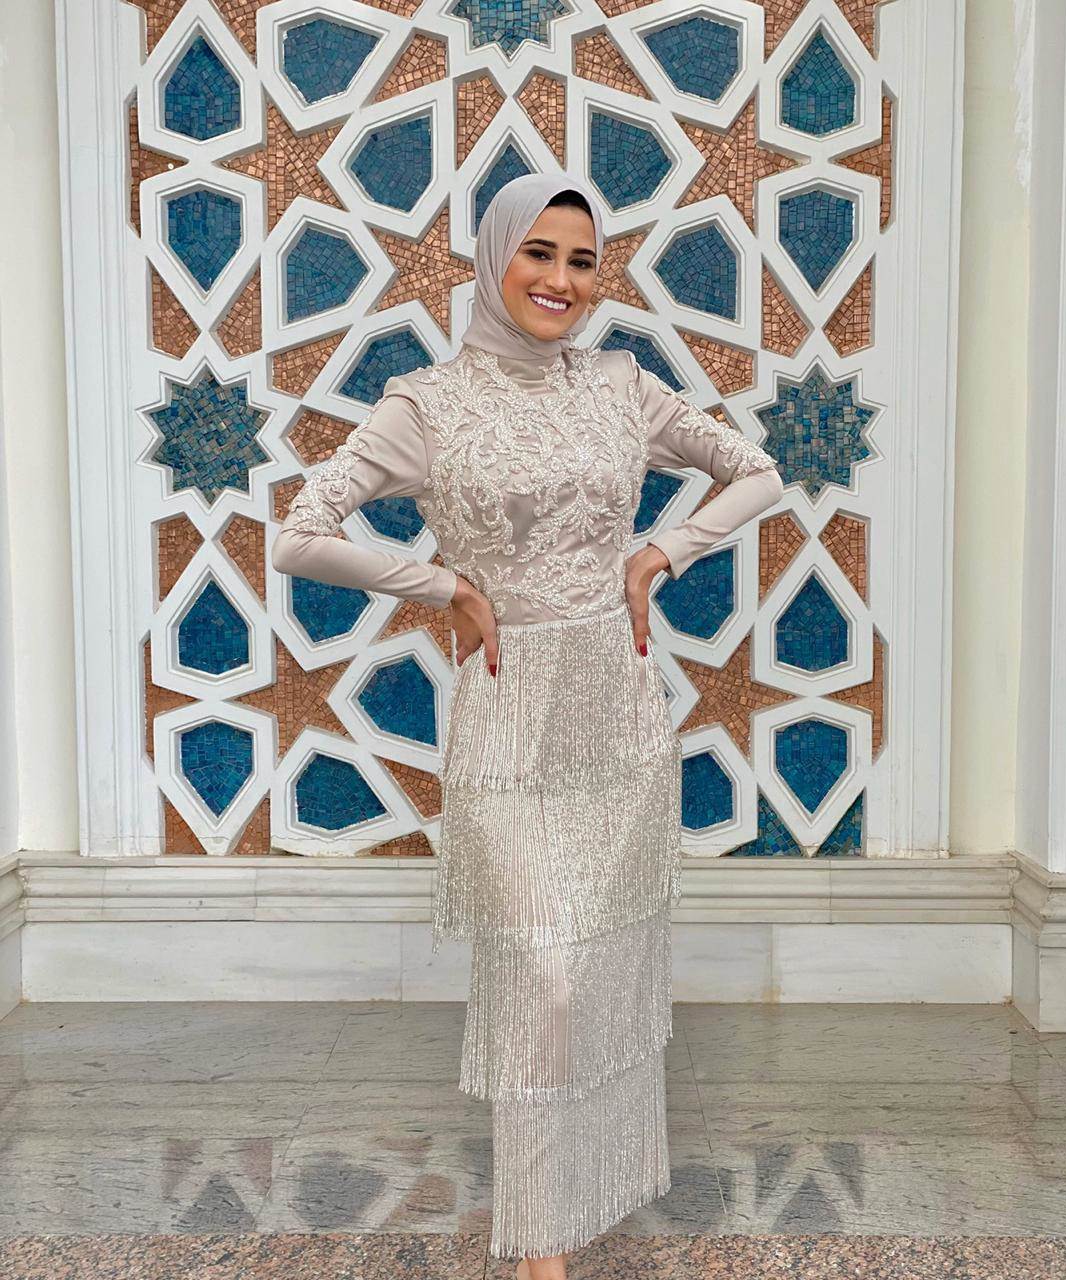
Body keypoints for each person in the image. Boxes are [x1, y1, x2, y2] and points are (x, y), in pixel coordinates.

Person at [271, 171, 784, 1278]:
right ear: (494, 258)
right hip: (509, 720)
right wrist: (440, 586)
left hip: (616, 713)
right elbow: (299, 534)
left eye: (581, 260)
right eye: (538, 253)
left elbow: (756, 473)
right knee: (540, 976)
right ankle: (539, 1249)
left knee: (593, 971)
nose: (560, 279)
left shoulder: (621, 385)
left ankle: (570, 1210)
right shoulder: (425, 405)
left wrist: (659, 553)